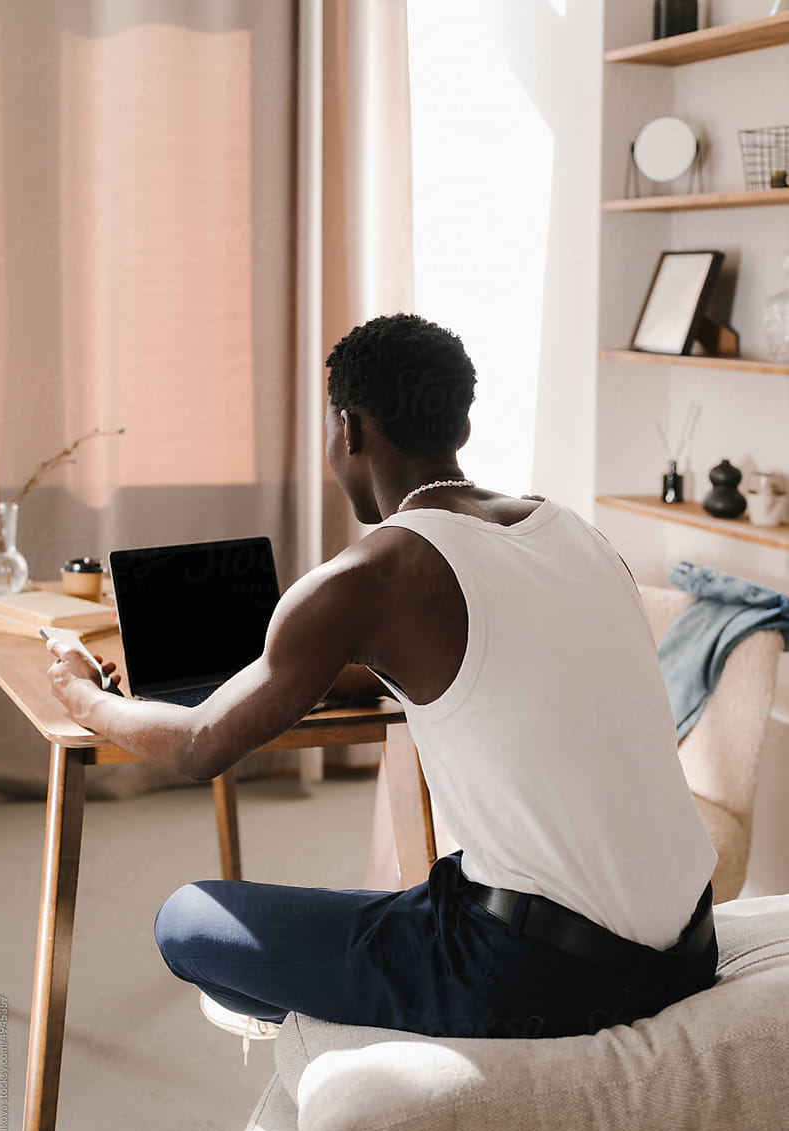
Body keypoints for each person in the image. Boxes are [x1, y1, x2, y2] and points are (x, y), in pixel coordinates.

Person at [46, 313, 719, 1040]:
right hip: (689, 950)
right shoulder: (574, 534)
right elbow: (501, 669)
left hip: (538, 976)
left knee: (188, 921)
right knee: (439, 883)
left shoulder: (370, 573)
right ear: (460, 424)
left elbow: (199, 745)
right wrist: (328, 675)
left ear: (351, 428)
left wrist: (81, 693)